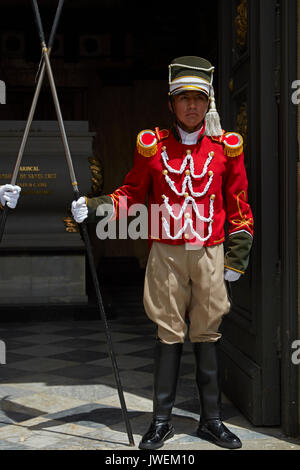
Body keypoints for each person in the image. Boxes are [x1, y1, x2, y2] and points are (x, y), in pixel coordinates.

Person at [71, 56, 254, 450]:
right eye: (183, 98)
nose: (192, 107)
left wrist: (236, 256)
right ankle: (161, 421)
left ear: (209, 104)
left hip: (209, 252)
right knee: (168, 334)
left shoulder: (228, 149)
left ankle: (212, 420)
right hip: (166, 254)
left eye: (199, 99)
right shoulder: (152, 147)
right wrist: (96, 205)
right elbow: (132, 195)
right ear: (170, 104)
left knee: (208, 333)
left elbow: (239, 203)